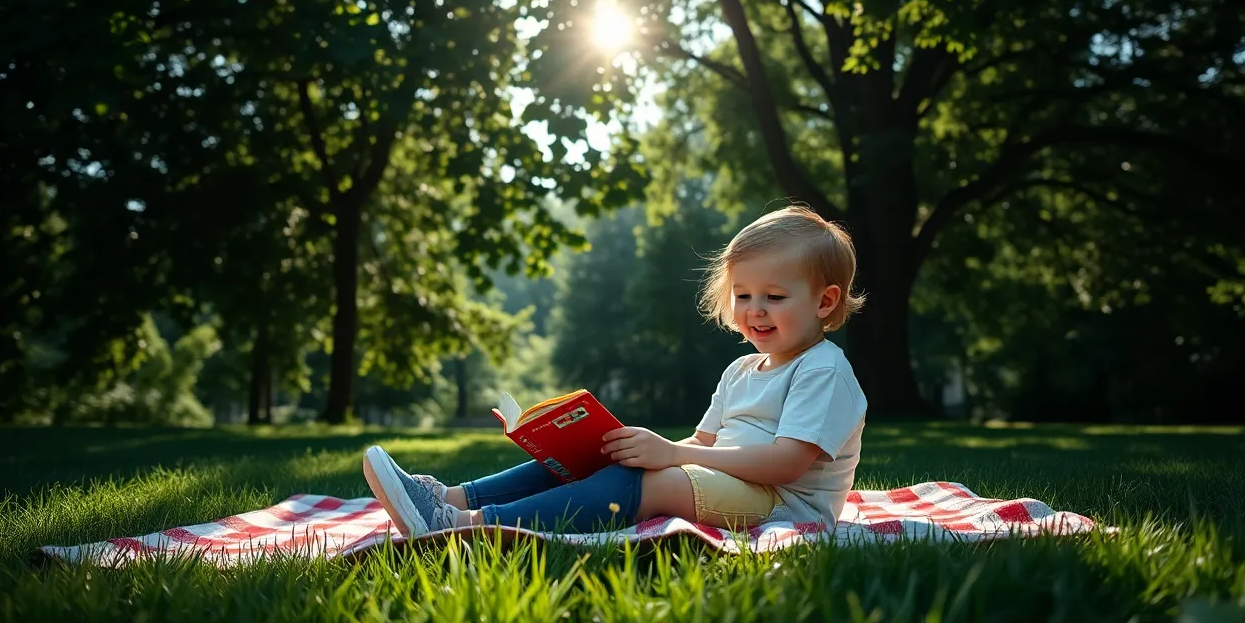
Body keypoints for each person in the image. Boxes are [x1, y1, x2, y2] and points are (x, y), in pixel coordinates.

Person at [362, 204, 869, 538]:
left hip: (783, 507)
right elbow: (706, 445)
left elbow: (786, 464)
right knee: (605, 451)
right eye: (743, 295)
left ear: (825, 303)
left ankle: (471, 526)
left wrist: (670, 455)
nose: (755, 309)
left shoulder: (823, 370)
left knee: (660, 482)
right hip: (736, 488)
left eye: (774, 297)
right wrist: (639, 447)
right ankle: (448, 497)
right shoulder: (741, 369)